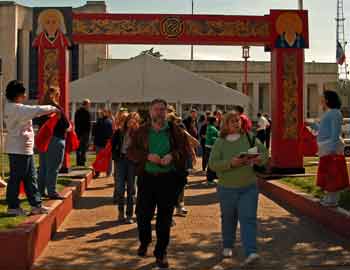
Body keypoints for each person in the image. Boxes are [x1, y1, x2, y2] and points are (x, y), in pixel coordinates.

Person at [128, 99, 190, 269]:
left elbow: (184, 150)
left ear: (167, 112)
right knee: (142, 215)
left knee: (165, 218)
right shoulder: (141, 131)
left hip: (168, 179)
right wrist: (147, 156)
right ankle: (145, 241)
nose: (159, 113)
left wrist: (172, 155)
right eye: (156, 110)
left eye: (162, 110)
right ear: (150, 112)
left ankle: (161, 252)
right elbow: (131, 151)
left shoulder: (175, 130)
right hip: (147, 178)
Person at [209, 111, 268, 266]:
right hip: (226, 188)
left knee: (248, 219)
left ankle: (251, 252)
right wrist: (230, 163)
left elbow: (264, 153)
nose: (236, 123)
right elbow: (213, 164)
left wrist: (258, 159)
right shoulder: (220, 142)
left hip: (248, 187)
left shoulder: (249, 138)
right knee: (228, 218)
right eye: (232, 121)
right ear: (226, 124)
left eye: (238, 120)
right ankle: (228, 245)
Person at [4, 80, 58, 215]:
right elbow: (35, 110)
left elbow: (33, 111)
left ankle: (36, 204)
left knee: (31, 178)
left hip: (24, 149)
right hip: (18, 150)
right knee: (16, 179)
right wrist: (53, 108)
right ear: (17, 94)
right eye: (23, 93)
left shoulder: (14, 106)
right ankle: (13, 207)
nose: (25, 95)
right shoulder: (15, 108)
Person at [317, 90, 349, 207]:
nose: (320, 100)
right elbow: (324, 129)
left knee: (333, 174)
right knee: (328, 173)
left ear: (327, 100)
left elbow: (335, 133)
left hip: (330, 147)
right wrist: (314, 126)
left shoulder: (335, 113)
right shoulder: (330, 112)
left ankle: (331, 200)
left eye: (322, 97)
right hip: (326, 146)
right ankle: (329, 198)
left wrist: (331, 148)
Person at [37, 87, 70, 200]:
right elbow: (66, 124)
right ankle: (52, 191)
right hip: (56, 140)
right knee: (53, 167)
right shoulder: (56, 108)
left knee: (43, 167)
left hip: (44, 140)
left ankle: (40, 191)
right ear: (56, 95)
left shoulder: (42, 108)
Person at [111, 112, 140, 224]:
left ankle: (129, 214)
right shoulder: (119, 132)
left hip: (132, 162)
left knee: (131, 188)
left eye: (134, 120)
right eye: (130, 120)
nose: (131, 122)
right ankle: (120, 211)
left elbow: (141, 147)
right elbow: (113, 146)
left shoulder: (138, 134)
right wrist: (116, 158)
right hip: (121, 161)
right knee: (120, 188)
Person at [93, 109, 113, 177]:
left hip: (99, 142)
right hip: (107, 143)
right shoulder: (110, 122)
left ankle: (97, 172)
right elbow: (111, 133)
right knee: (108, 158)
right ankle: (108, 172)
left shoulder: (98, 122)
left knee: (99, 157)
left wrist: (94, 143)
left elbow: (94, 133)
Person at [74, 99, 91, 166]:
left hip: (78, 132)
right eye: (89, 104)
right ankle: (82, 162)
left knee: (78, 148)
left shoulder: (77, 111)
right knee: (84, 148)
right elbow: (88, 124)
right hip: (85, 133)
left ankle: (78, 161)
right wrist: (89, 134)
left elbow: (76, 122)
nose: (89, 106)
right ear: (86, 104)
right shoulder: (87, 112)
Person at [205, 116, 219, 184]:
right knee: (211, 163)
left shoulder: (209, 127)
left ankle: (211, 178)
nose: (217, 122)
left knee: (211, 162)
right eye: (216, 121)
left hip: (208, 147)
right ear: (213, 122)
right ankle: (210, 179)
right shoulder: (212, 128)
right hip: (211, 147)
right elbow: (213, 138)